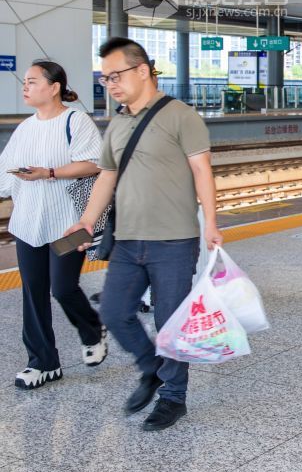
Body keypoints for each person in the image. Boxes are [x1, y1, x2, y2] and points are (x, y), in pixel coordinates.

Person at [66, 37, 222, 432]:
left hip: (173, 240)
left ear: (142, 70)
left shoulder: (181, 116)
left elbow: (202, 170)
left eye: (115, 76)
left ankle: (173, 398)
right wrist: (87, 220)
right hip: (127, 239)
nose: (110, 84)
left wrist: (211, 223)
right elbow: (107, 176)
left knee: (170, 322)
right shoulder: (118, 123)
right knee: (114, 311)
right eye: (105, 79)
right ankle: (150, 366)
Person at [0, 62, 107, 390]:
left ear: (54, 87)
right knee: (33, 292)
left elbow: (95, 163)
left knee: (62, 287)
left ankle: (92, 329)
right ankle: (43, 363)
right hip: (28, 223)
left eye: (33, 81)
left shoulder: (76, 121)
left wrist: (48, 173)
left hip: (70, 223)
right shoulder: (25, 127)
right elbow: (5, 173)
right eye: (25, 82)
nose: (25, 86)